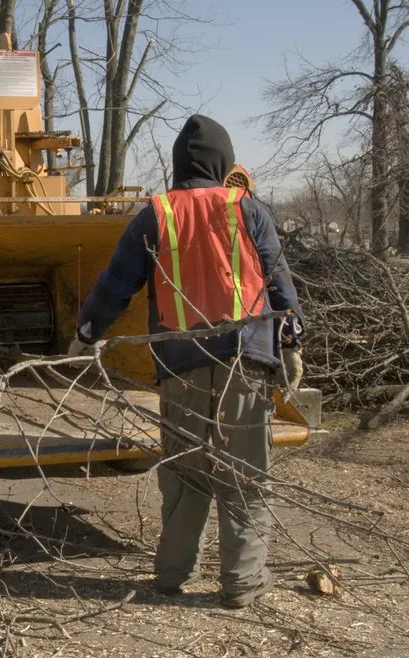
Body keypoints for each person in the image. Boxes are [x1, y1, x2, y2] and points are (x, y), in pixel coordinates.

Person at [68, 115, 305, 609]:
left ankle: (173, 574)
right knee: (244, 474)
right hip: (246, 361)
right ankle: (241, 581)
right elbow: (278, 281)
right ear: (223, 163)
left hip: (180, 367)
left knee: (185, 473)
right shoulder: (248, 210)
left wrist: (86, 331)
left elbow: (117, 283)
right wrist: (293, 342)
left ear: (178, 165)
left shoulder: (156, 214)